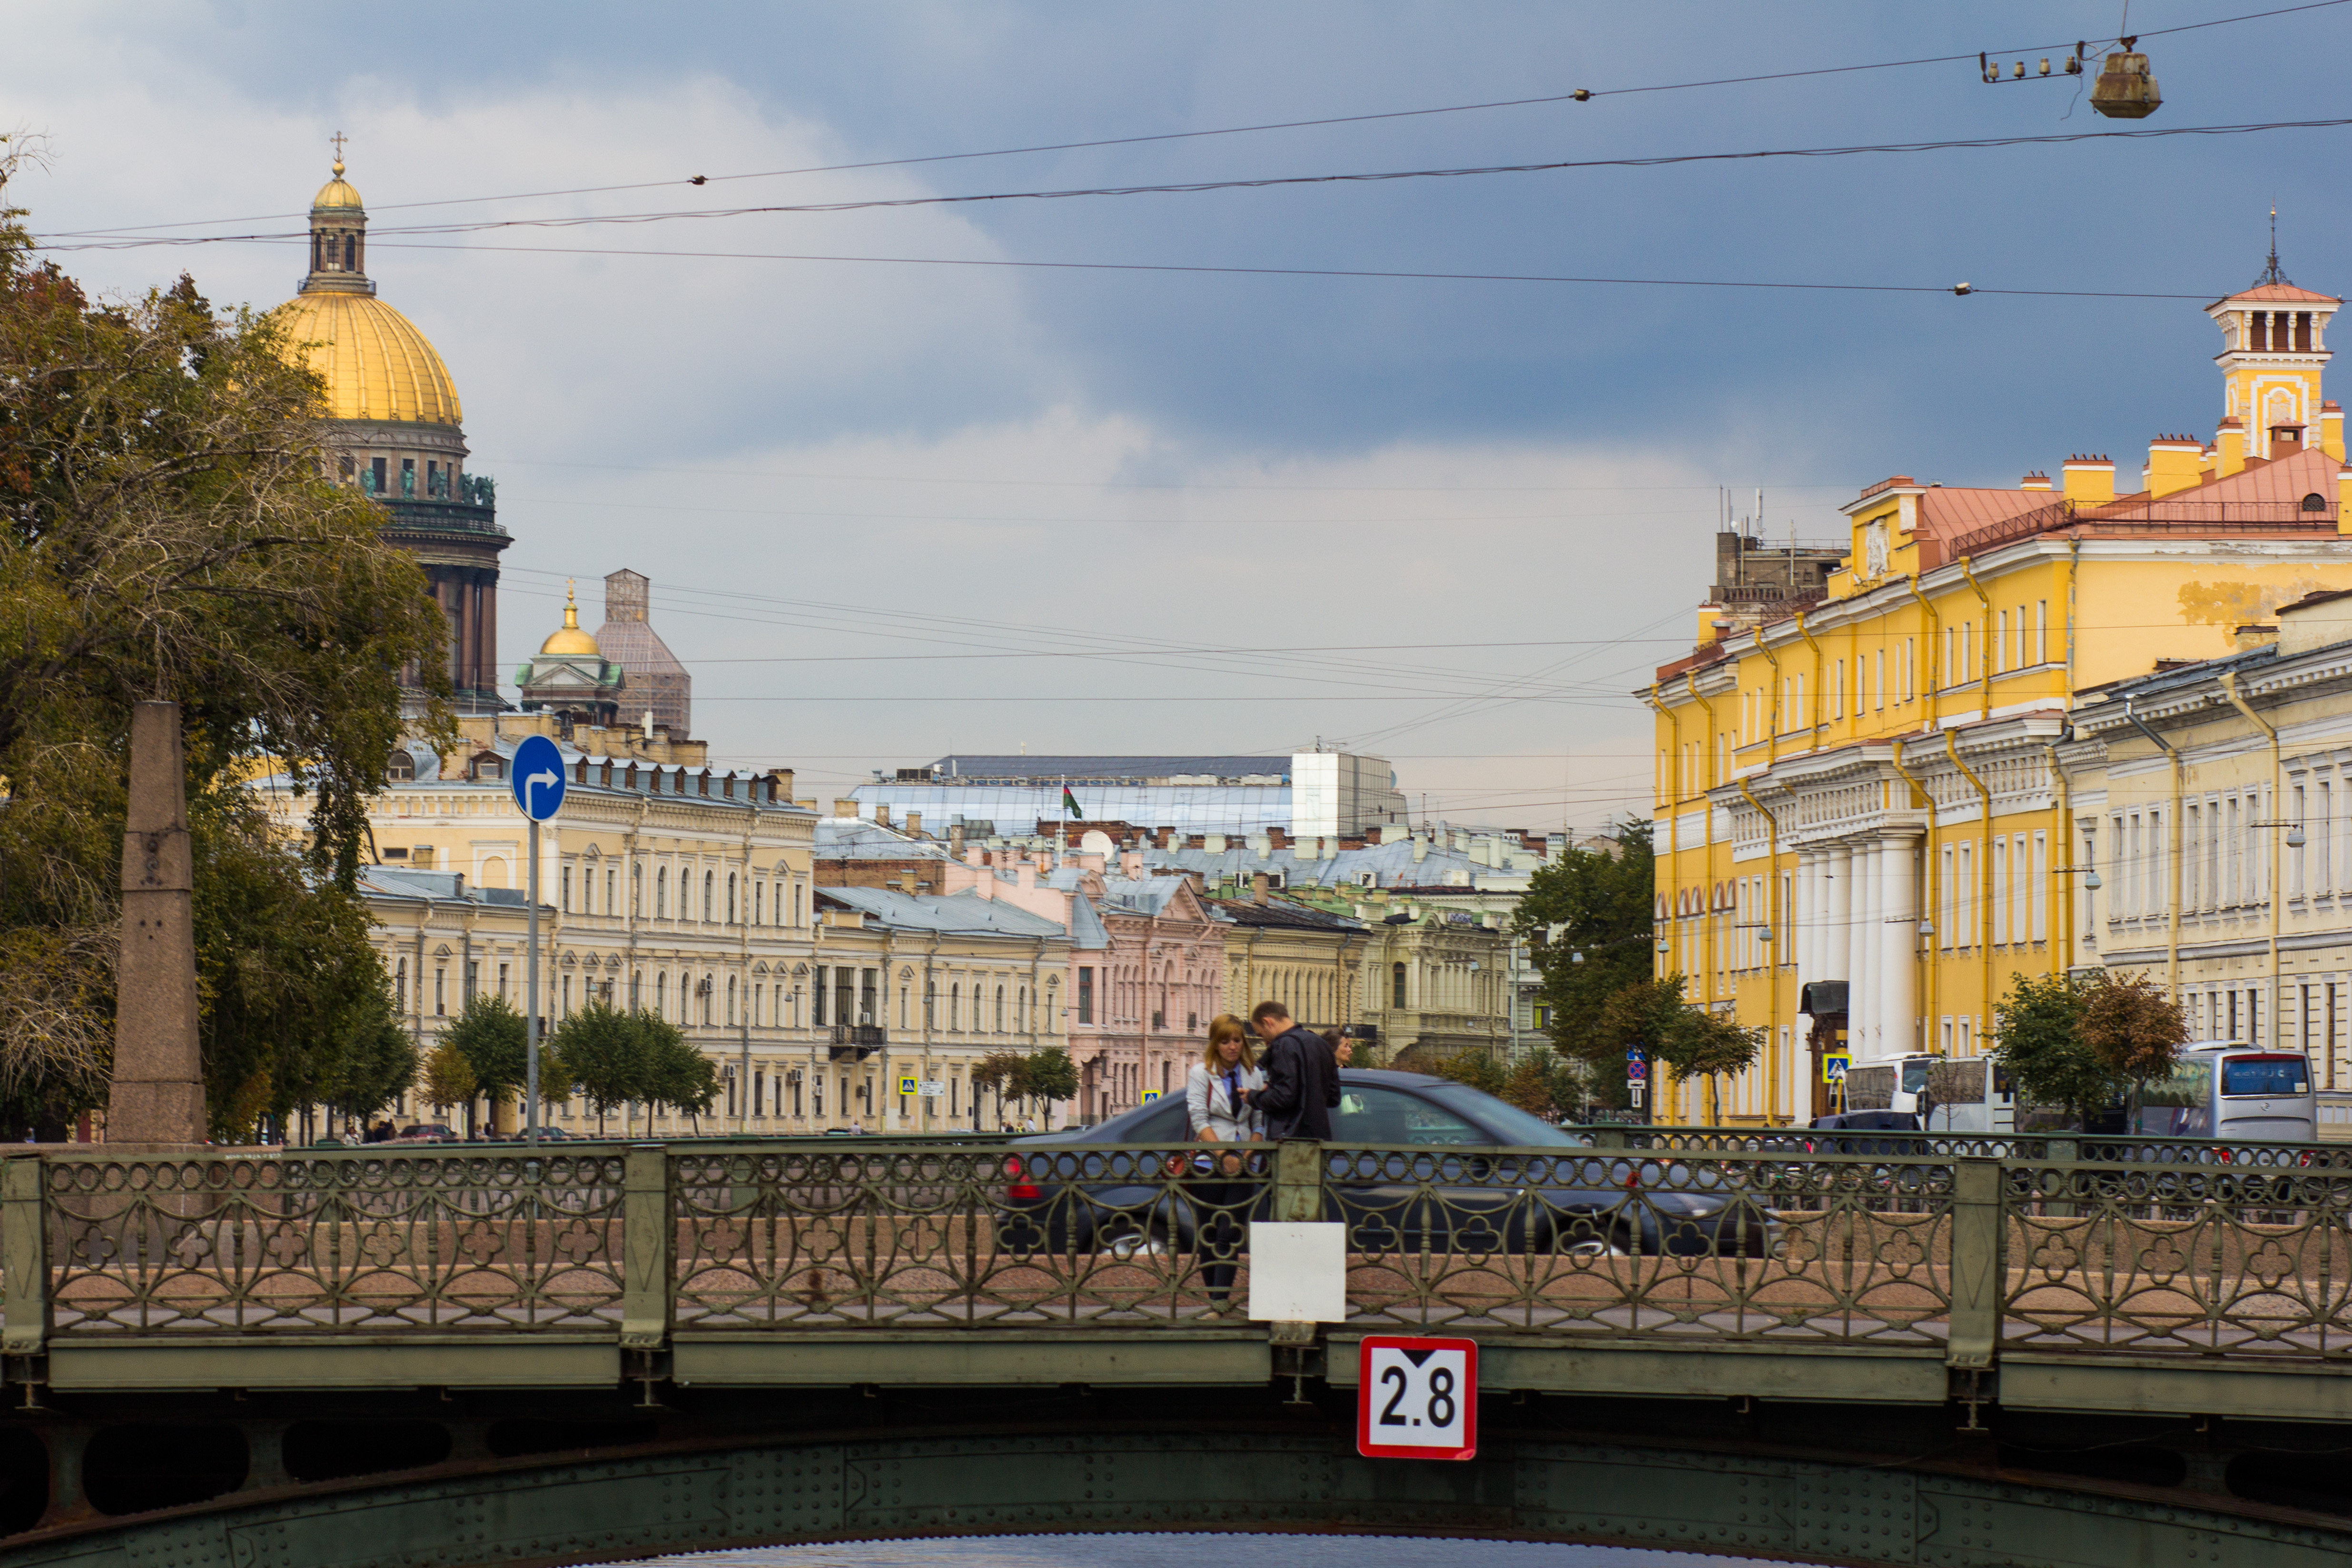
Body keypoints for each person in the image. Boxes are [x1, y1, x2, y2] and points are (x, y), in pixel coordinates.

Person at [1185, 1015, 1265, 1304]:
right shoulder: (1201, 1074)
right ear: (1215, 1045)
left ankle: (1221, 1302)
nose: (1232, 1046)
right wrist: (1224, 1156)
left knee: (1229, 1231)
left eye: (1237, 1040)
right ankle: (1214, 1300)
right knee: (1208, 1231)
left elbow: (1259, 1121)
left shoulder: (1254, 1073)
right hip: (1208, 1163)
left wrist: (1246, 1155)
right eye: (1225, 1041)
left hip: (1244, 1163)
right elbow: (1198, 1118)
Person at [1250, 1001, 1339, 1141]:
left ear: (1268, 1022)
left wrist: (1253, 1097)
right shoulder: (1322, 1044)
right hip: (1319, 1140)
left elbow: (1284, 1097)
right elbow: (1334, 1098)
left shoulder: (1283, 1045)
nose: (1265, 1042)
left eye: (1261, 1035)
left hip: (1290, 1141)